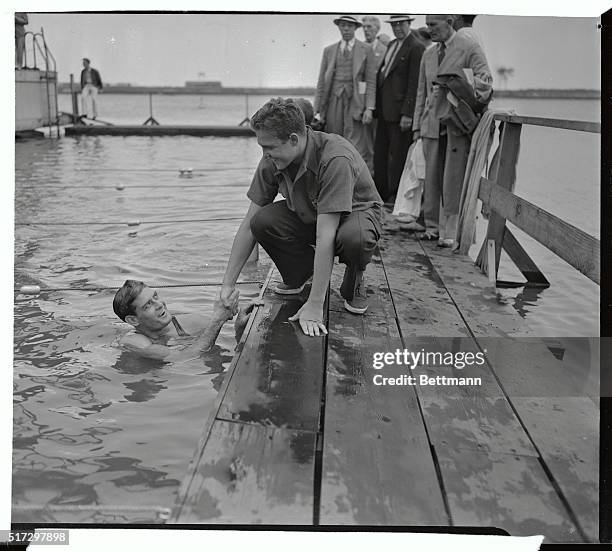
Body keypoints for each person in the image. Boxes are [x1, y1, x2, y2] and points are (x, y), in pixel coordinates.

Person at [219, 98, 383, 336]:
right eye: (262, 148)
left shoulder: (335, 158)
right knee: (262, 222)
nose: (265, 155)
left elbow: (325, 236)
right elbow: (247, 227)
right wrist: (227, 284)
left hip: (355, 215)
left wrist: (315, 306)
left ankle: (355, 277)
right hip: (312, 213)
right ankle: (301, 273)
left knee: (354, 239)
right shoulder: (272, 160)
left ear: (294, 140)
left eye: (269, 147)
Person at [413, 14, 492, 246]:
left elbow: (485, 83)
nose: (430, 30)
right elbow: (421, 92)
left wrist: (460, 94)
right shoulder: (428, 54)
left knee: (454, 180)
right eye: (427, 26)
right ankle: (431, 227)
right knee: (431, 178)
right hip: (431, 125)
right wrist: (417, 126)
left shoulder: (469, 46)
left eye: (434, 25)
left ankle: (450, 233)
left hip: (456, 125)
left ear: (450, 22)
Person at [112, 279, 253, 361]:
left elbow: (225, 344)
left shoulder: (187, 322)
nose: (159, 304)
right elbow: (180, 358)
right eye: (148, 305)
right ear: (133, 320)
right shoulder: (132, 341)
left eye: (155, 297)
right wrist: (217, 320)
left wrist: (240, 329)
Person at [313, 15, 377, 172]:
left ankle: (358, 183)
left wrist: (369, 108)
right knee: (334, 142)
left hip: (356, 103)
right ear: (339, 27)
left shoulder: (366, 49)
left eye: (349, 25)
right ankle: (335, 179)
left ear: (356, 28)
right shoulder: (329, 51)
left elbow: (370, 81)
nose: (346, 29)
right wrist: (317, 109)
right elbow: (322, 81)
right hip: (334, 101)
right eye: (343, 25)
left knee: (357, 145)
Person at [373, 14, 425, 203]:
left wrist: (408, 113)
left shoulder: (416, 46)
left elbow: (415, 82)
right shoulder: (393, 44)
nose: (397, 28)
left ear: (409, 23)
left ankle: (395, 196)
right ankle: (381, 194)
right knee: (381, 155)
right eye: (394, 24)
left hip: (400, 113)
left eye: (401, 24)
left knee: (399, 156)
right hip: (385, 111)